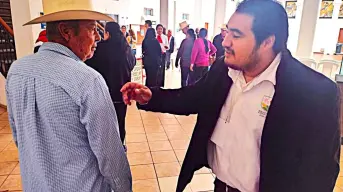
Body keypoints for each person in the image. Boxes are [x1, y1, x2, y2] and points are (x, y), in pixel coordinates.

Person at [120, 0, 340, 191]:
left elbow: (320, 175)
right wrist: (151, 96)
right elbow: (194, 96)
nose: (225, 42)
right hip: (221, 186)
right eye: (227, 33)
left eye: (236, 35)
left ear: (267, 42)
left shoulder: (313, 94)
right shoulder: (224, 70)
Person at [6, 1, 132, 191]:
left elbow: (19, 137)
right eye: (91, 28)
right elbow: (111, 158)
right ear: (66, 31)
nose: (97, 37)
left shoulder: (17, 71)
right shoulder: (88, 80)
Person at [85, 22, 136, 147]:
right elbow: (132, 64)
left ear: (107, 33)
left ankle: (109, 147)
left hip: (104, 92)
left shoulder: (100, 48)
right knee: (120, 120)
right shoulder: (125, 47)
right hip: (122, 92)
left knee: (105, 123)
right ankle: (121, 145)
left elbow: (90, 66)